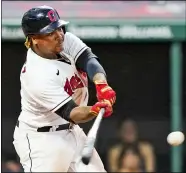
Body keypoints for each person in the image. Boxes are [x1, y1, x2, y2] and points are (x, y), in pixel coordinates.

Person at [13, 5, 116, 172]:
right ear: (34, 39)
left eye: (59, 28)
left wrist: (101, 84)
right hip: (43, 140)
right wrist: (95, 110)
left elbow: (88, 60)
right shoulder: (36, 74)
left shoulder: (65, 41)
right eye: (50, 32)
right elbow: (72, 113)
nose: (59, 35)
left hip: (71, 131)